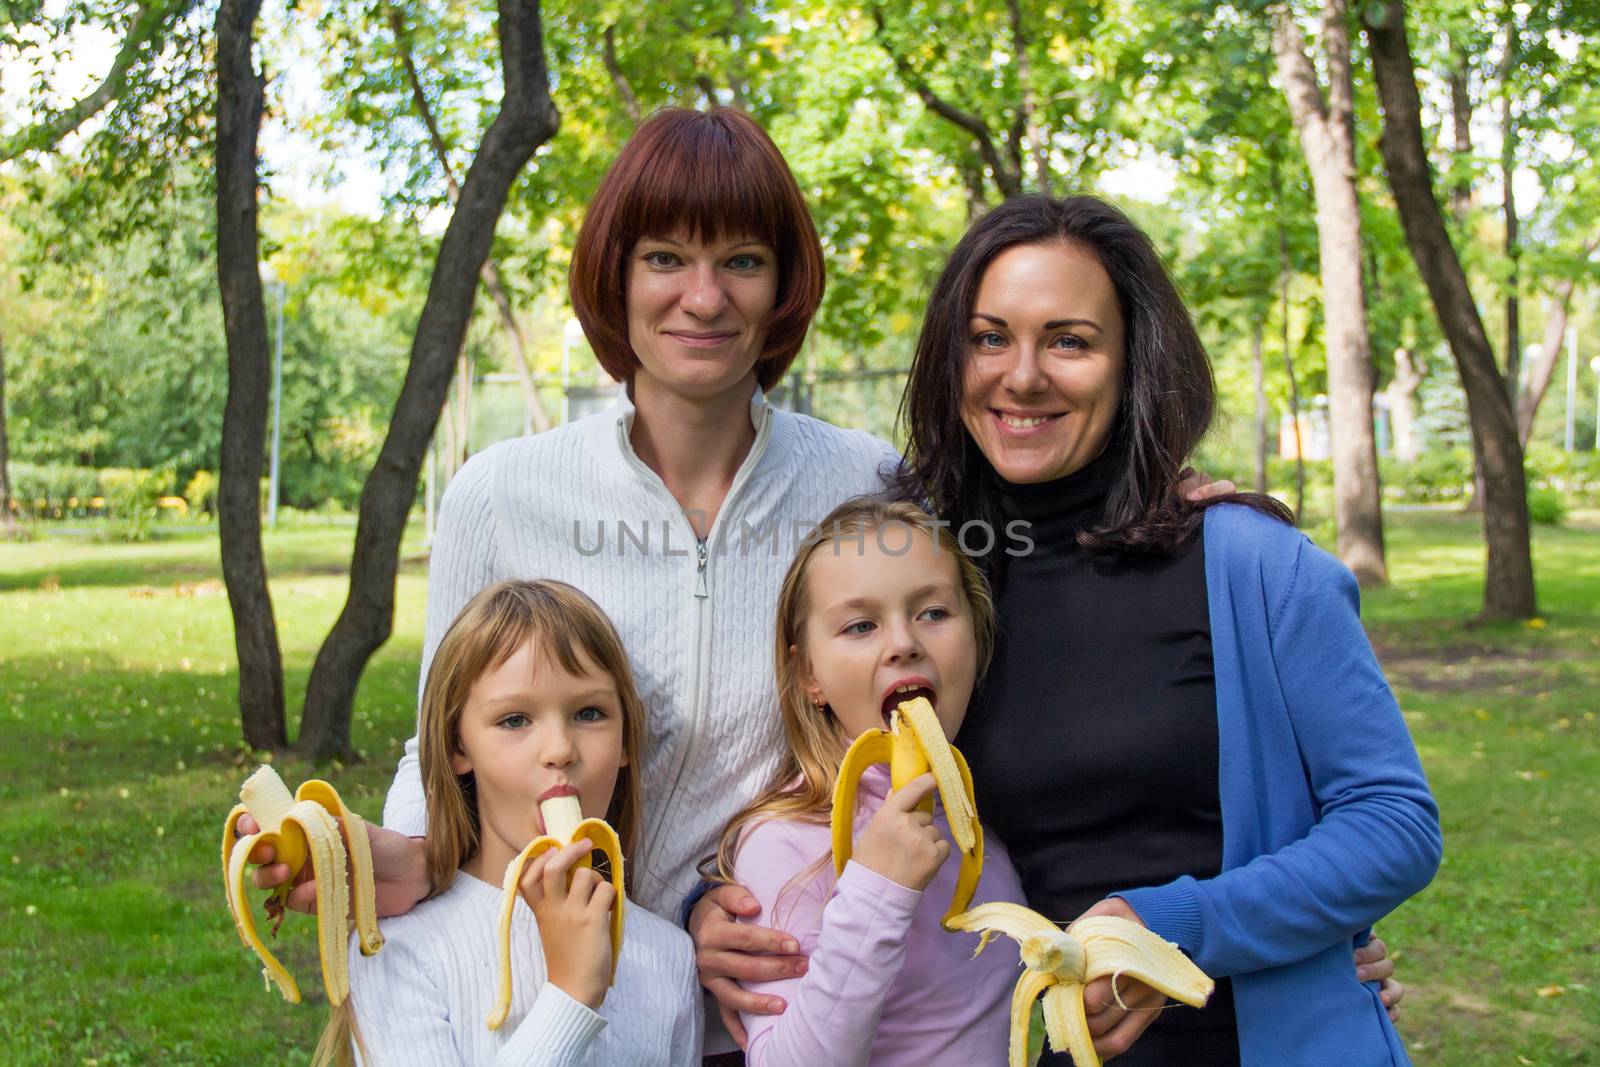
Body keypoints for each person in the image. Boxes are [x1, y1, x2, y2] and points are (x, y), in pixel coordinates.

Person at [693, 194, 1430, 1066]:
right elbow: (826, 776)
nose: (1024, 374)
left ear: (1133, 360)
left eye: (1070, 340)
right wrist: (719, 905)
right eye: (989, 337)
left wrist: (1178, 926)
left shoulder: (1251, 564)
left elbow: (1394, 822)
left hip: (1257, 1037)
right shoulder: (927, 571)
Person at [707, 498, 1028, 1065]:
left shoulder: (987, 819)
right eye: (860, 625)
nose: (903, 642)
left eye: (933, 612)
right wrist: (878, 888)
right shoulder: (786, 845)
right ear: (810, 674)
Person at [325, 580, 700, 1065]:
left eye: (589, 713)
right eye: (515, 720)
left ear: (627, 740)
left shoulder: (668, 955)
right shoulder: (399, 948)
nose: (561, 749)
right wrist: (569, 997)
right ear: (459, 746)